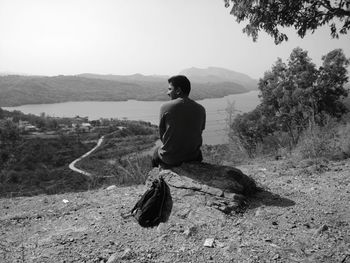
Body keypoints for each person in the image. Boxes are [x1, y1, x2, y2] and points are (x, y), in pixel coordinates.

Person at [152, 75, 206, 168]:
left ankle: (157, 178)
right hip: (193, 157)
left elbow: (163, 136)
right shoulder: (201, 109)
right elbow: (199, 132)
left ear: (178, 90)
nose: (167, 93)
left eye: (170, 89)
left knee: (156, 152)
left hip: (171, 159)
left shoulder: (165, 107)